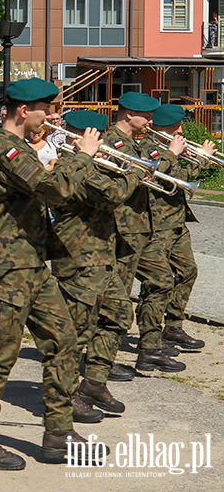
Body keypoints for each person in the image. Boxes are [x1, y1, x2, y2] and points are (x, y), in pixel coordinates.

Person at [0, 78, 106, 470]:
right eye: (46, 109)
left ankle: (58, 432)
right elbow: (53, 189)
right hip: (8, 268)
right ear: (24, 111)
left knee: (64, 339)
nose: (50, 117)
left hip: (33, 265)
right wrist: (82, 156)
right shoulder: (5, 150)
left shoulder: (22, 148)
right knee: (1, 353)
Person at [48, 110, 142, 419]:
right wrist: (136, 173)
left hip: (101, 256)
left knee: (118, 315)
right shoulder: (71, 166)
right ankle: (65, 396)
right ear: (87, 136)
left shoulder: (92, 165)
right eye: (98, 138)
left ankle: (94, 382)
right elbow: (112, 195)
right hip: (78, 260)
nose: (103, 144)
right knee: (76, 333)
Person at [135, 104, 214, 371]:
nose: (180, 131)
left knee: (188, 272)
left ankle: (173, 326)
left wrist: (192, 158)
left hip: (177, 222)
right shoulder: (147, 147)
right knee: (158, 282)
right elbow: (173, 178)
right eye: (175, 127)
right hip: (156, 225)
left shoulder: (170, 147)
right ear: (160, 127)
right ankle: (151, 339)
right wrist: (199, 159)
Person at [102, 91, 173, 377]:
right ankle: (102, 360)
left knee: (163, 280)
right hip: (121, 230)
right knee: (116, 299)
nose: (151, 121)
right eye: (147, 116)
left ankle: (150, 348)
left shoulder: (137, 142)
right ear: (129, 114)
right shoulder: (110, 142)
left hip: (143, 228)